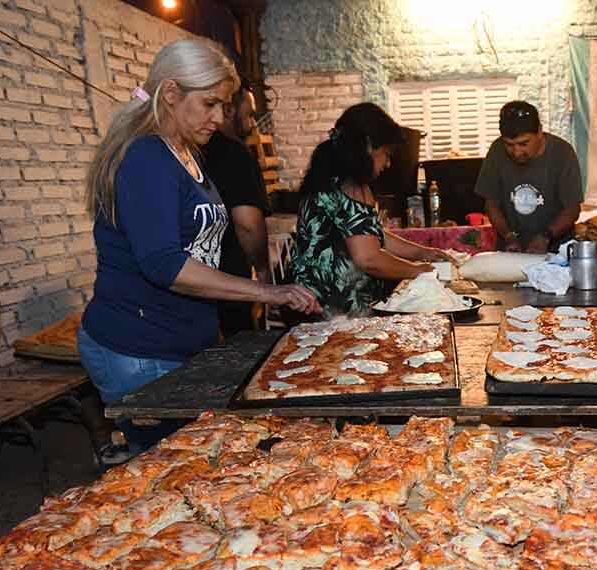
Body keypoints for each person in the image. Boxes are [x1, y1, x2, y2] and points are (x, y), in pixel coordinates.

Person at [79, 39, 320, 454]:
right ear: (171, 94)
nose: (219, 117)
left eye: (224, 106)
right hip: (140, 349)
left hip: (181, 342)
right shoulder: (147, 157)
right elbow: (164, 265)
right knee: (174, 475)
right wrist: (265, 289)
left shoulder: (186, 152)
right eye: (209, 104)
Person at [289, 102, 455, 316]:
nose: (387, 164)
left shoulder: (328, 176)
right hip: (333, 309)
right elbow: (368, 258)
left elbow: (371, 235)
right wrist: (417, 270)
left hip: (308, 300)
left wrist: (421, 252)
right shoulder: (353, 185)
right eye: (386, 154)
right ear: (368, 145)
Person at [202, 78, 272, 337]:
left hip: (193, 293)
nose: (253, 123)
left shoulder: (185, 152)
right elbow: (248, 224)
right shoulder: (235, 153)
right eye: (250, 115)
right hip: (229, 285)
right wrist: (263, 272)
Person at [474, 101, 583, 254]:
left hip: (555, 252)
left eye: (523, 143)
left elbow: (572, 209)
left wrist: (545, 236)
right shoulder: (497, 151)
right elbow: (492, 205)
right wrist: (508, 236)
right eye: (509, 145)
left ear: (539, 131)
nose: (516, 152)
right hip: (511, 251)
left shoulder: (562, 153)